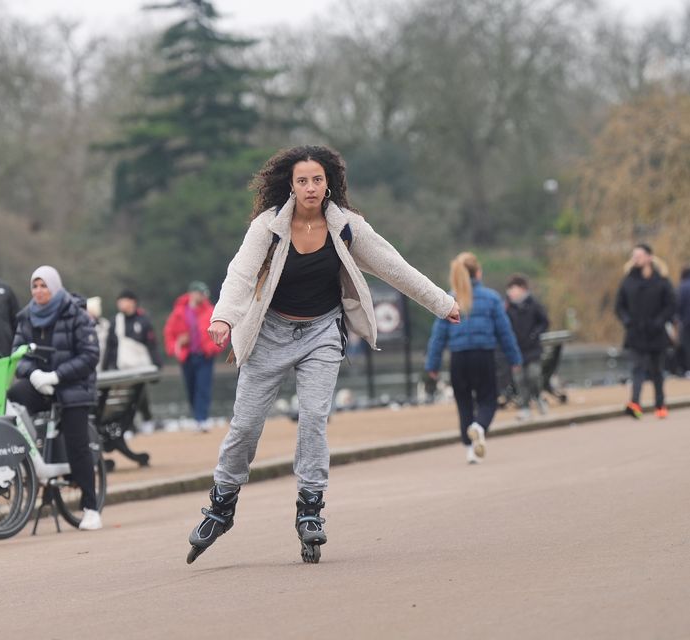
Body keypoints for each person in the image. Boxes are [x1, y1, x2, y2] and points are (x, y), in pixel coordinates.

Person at [186, 145, 460, 564]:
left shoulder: (347, 228)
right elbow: (240, 274)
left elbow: (394, 266)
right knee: (245, 424)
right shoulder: (269, 226)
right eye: (302, 181)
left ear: (328, 182)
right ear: (290, 186)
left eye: (317, 179)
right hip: (270, 332)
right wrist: (223, 318)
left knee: (313, 417)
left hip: (322, 332)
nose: (311, 187)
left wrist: (443, 303)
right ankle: (221, 505)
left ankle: (310, 508)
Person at [7, 266, 103, 530]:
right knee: (13, 397)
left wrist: (58, 376)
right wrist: (33, 373)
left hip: (74, 386)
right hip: (41, 384)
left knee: (77, 443)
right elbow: (18, 353)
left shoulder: (76, 314)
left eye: (43, 285)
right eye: (34, 286)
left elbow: (90, 355)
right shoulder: (26, 316)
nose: (38, 291)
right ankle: (31, 457)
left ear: (54, 286)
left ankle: (91, 507)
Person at [425, 252, 522, 465]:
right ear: (478, 272)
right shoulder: (492, 298)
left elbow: (438, 336)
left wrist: (432, 364)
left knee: (464, 403)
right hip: (484, 355)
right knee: (488, 399)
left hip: (458, 358)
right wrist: (515, 358)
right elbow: (505, 332)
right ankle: (479, 427)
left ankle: (470, 450)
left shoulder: (449, 299)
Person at [615, 244, 676, 419]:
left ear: (649, 257)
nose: (636, 259)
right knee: (637, 369)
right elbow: (619, 306)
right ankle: (635, 403)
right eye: (634, 256)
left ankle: (660, 404)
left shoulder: (662, 281)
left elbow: (670, 305)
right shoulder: (628, 281)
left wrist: (660, 321)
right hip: (636, 333)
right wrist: (627, 321)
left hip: (656, 333)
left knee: (657, 371)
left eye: (639, 255)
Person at [164, 281, 224, 432]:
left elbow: (221, 331)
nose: (203, 297)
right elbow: (169, 333)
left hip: (204, 355)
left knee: (203, 387)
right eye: (200, 293)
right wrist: (175, 348)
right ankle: (197, 417)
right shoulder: (179, 312)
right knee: (191, 387)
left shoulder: (211, 310)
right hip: (187, 356)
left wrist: (212, 348)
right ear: (192, 294)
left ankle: (202, 419)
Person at [104, 289, 163, 431]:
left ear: (132, 302)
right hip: (121, 366)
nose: (121, 304)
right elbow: (110, 347)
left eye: (124, 300)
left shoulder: (143, 321)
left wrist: (157, 364)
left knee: (140, 394)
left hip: (140, 366)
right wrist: (106, 367)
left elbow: (151, 344)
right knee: (124, 398)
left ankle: (146, 419)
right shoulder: (115, 322)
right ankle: (129, 425)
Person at [505, 274, 550, 420]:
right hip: (515, 350)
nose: (511, 292)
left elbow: (544, 322)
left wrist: (534, 334)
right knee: (519, 380)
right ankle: (524, 407)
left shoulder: (534, 304)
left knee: (534, 375)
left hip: (533, 349)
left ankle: (538, 397)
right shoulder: (507, 308)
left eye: (514, 288)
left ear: (523, 289)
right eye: (509, 289)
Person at [677, 266, 690, 376]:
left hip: (686, 322)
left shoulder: (682, 287)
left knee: (687, 345)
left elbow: (678, 304)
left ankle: (688, 369)